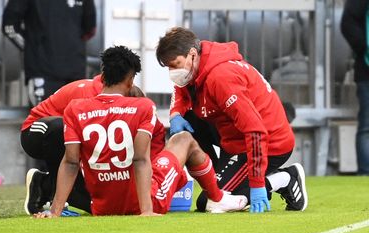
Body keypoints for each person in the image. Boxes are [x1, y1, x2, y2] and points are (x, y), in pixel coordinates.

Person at [35, 45, 248, 217]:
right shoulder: (142, 106)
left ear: (103, 74)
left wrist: (54, 211)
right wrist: (147, 211)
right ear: (130, 80)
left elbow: (71, 162)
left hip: (102, 207)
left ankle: (56, 208)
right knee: (184, 139)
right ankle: (217, 198)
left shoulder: (75, 108)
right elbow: (141, 160)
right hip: (145, 201)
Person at [155, 27, 308, 213]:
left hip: (269, 144)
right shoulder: (196, 66)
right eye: (169, 67)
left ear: (193, 54)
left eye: (175, 64)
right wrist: (175, 114)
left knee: (208, 202)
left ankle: (286, 178)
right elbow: (181, 88)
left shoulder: (221, 78)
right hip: (234, 137)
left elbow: (255, 130)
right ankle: (217, 173)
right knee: (187, 121)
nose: (173, 72)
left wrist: (258, 184)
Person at [21, 76, 103, 215]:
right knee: (60, 129)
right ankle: (57, 200)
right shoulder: (88, 95)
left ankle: (42, 184)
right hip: (36, 132)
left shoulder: (124, 98)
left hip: (71, 141)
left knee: (101, 207)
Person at [2, 0, 97, 106]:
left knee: (72, 120)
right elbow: (10, 26)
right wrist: (32, 49)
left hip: (73, 73)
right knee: (50, 119)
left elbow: (90, 27)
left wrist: (33, 49)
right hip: (44, 73)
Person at [341, 0, 369, 175]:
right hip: (366, 72)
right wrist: (364, 47)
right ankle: (365, 174)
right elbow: (348, 24)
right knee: (367, 127)